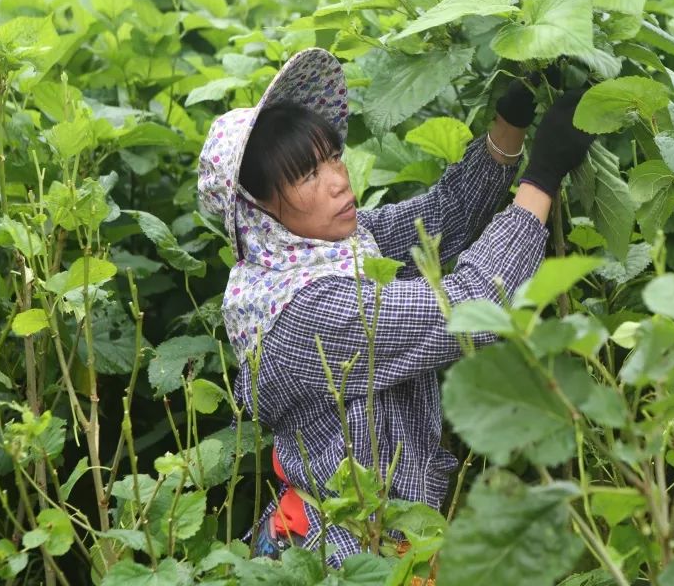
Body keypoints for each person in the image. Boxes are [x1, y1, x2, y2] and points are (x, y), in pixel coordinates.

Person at [197, 48, 593, 565]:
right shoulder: (303, 309)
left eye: (332, 156)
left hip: (379, 535)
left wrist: (510, 122)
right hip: (345, 553)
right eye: (307, 175)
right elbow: (468, 306)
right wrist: (541, 179)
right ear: (260, 211)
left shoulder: (332, 248)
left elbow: (443, 214)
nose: (338, 179)